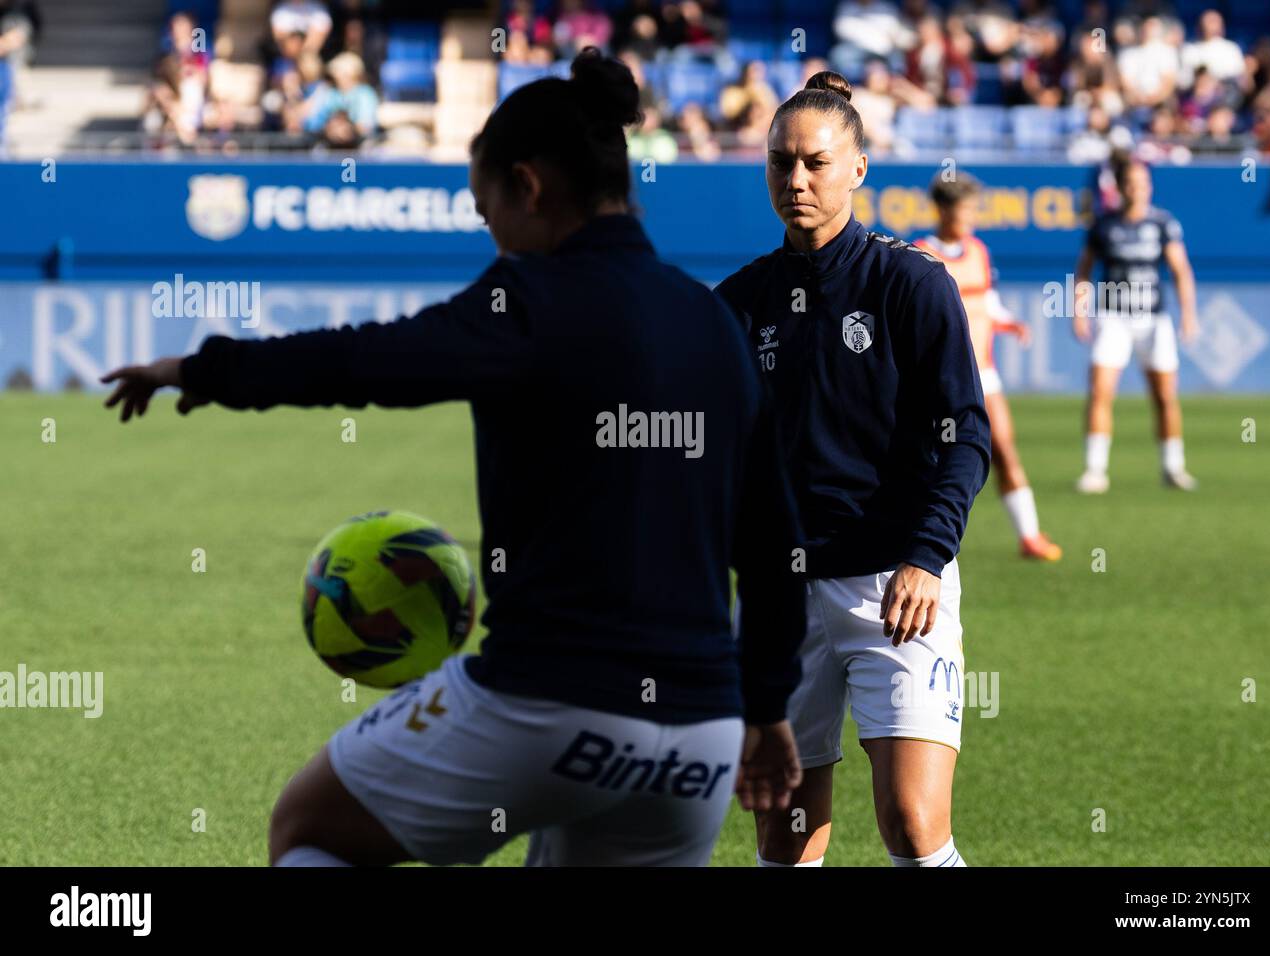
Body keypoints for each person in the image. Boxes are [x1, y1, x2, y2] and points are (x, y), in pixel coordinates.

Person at [100, 49, 805, 867]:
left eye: (485, 209)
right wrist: (766, 706)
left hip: (546, 704)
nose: (492, 233)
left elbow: (364, 361)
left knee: (309, 828)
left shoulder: (527, 299)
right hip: (700, 739)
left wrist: (200, 369)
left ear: (529, 187)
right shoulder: (713, 323)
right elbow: (777, 548)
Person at [716, 71, 990, 868]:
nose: (795, 180)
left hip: (895, 589)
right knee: (784, 837)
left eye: (815, 162)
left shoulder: (910, 284)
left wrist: (927, 558)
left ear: (859, 168)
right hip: (778, 603)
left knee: (912, 825)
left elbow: (964, 436)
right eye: (780, 163)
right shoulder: (739, 302)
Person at [916, 174, 1061, 561]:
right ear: (944, 209)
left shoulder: (978, 250)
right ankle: (918, 538)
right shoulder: (921, 255)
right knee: (927, 460)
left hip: (983, 373)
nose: (972, 216)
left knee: (1004, 450)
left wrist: (1010, 322)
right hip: (937, 378)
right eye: (966, 209)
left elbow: (988, 302)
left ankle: (1029, 536)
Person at [1073, 156, 1199, 494]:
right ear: (1119, 186)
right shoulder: (1103, 225)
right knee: (1101, 391)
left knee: (1164, 395)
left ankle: (1173, 467)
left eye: (1142, 183)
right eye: (1130, 183)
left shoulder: (1162, 223)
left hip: (1153, 319)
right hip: (1113, 317)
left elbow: (1180, 270)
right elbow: (1084, 270)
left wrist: (1188, 313)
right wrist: (1079, 310)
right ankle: (1095, 470)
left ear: (1150, 187)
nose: (1136, 190)